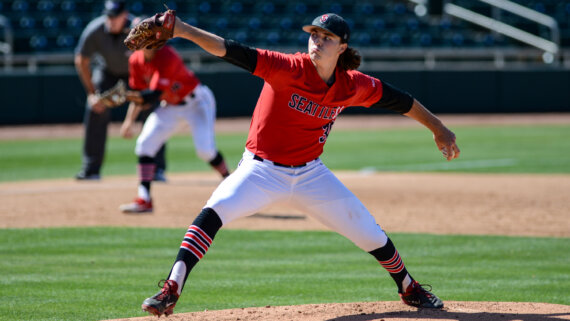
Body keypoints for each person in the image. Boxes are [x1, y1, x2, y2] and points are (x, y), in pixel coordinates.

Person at [138, 12, 460, 316]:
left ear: (342, 47)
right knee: (214, 210)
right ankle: (171, 287)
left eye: (327, 37)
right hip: (261, 170)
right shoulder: (287, 67)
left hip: (311, 175)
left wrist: (438, 128)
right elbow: (229, 50)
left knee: (369, 233)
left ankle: (408, 287)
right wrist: (181, 29)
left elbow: (400, 100)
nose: (317, 41)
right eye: (314, 35)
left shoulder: (352, 84)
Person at [118, 45, 230, 213]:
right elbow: (139, 94)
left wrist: (125, 96)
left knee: (205, 151)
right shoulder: (135, 60)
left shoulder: (167, 55)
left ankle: (230, 182)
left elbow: (153, 95)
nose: (137, 38)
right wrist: (129, 121)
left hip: (196, 102)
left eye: (143, 34)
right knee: (144, 144)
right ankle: (145, 199)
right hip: (170, 105)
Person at [74, 0, 167, 181]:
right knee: (95, 108)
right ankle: (91, 169)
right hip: (108, 73)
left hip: (137, 72)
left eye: (115, 16)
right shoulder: (96, 29)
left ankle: (156, 168)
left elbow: (155, 54)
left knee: (152, 110)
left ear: (125, 15)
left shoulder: (137, 28)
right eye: (108, 15)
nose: (111, 20)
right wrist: (92, 93)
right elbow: (81, 61)